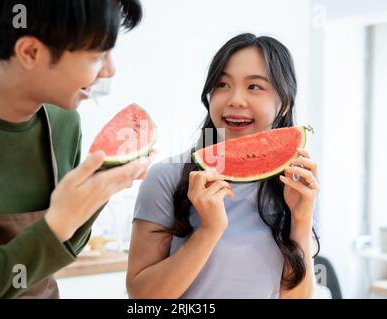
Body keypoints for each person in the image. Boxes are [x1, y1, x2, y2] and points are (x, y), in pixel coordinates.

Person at [0, 0, 151, 298]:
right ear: (31, 52)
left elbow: (64, 248)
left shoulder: (65, 122)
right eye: (97, 55)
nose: (109, 71)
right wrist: (57, 223)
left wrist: (97, 193)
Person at [126, 33, 320, 299]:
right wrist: (209, 230)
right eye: (222, 84)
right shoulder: (166, 178)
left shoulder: (296, 186)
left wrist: (301, 219)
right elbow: (141, 297)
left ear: (284, 102)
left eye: (254, 87)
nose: (235, 100)